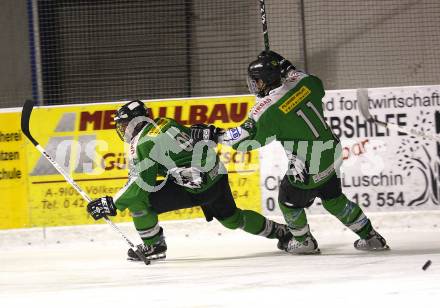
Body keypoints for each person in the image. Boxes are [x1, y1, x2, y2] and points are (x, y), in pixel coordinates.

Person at [190, 51, 389, 254]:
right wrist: (284, 64)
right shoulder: (305, 82)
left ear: (264, 81)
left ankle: (304, 242)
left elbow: (243, 141)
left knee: (288, 202)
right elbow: (304, 77)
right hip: (331, 152)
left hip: (310, 162)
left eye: (256, 81)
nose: (255, 85)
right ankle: (372, 237)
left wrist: (214, 134)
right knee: (334, 199)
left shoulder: (267, 109)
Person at [86, 99, 292, 261]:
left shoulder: (142, 143)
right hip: (216, 175)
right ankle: (282, 232)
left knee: (140, 202)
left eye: (125, 124)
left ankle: (154, 246)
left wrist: (112, 203)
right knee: (232, 219)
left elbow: (141, 185)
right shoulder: (165, 122)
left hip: (195, 187)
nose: (123, 129)